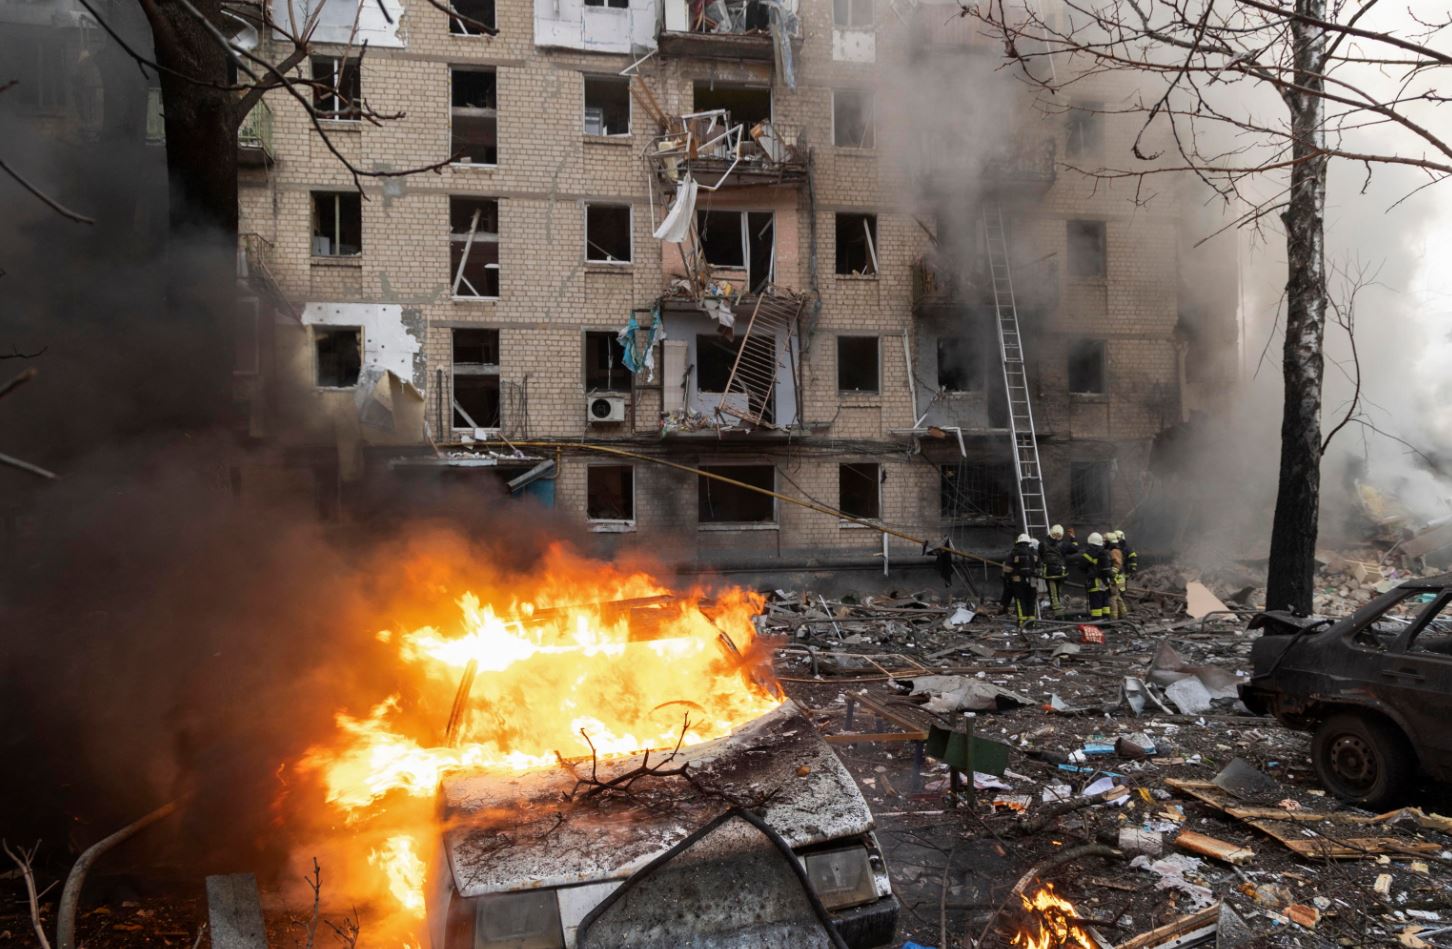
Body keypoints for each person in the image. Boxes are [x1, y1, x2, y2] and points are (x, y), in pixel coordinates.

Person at [1001, 533, 1040, 625]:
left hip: (1018, 581)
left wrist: (1007, 578)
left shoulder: (1014, 552)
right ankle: (1031, 622)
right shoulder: (1034, 552)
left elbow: (1008, 568)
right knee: (1031, 600)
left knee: (1020, 600)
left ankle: (1022, 621)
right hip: (1032, 581)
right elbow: (1039, 566)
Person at [1040, 524, 1076, 616]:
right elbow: (1075, 549)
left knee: (1053, 594)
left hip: (1049, 573)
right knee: (1058, 592)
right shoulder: (1064, 544)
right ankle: (1059, 612)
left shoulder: (1042, 544)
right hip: (1061, 573)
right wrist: (1073, 538)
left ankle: (1058, 614)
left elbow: (1041, 555)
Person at [1080, 532, 1114, 620]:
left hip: (1094, 583)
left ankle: (1097, 622)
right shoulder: (1105, 553)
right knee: (1105, 602)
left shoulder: (1088, 553)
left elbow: (1081, 566)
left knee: (1096, 603)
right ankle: (1106, 621)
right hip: (1105, 582)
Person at [1105, 530, 1129, 619]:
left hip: (1115, 579)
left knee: (1112, 598)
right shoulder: (1117, 549)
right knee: (1118, 598)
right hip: (1118, 578)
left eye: (1105, 541)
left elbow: (1117, 564)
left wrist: (1111, 574)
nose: (1104, 543)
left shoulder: (1114, 551)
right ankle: (1123, 615)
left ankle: (1113, 619)